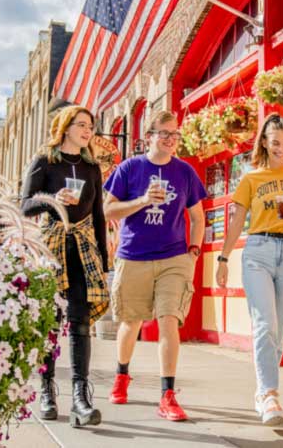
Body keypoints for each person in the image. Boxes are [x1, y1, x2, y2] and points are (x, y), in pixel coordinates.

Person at [216, 113, 283, 426]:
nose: (281, 149)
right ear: (264, 140)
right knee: (265, 324)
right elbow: (236, 222)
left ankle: (263, 391)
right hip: (257, 251)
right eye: (276, 143)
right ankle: (269, 394)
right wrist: (223, 258)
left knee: (280, 328)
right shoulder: (250, 179)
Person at [103, 110, 206, 421]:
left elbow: (198, 217)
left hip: (174, 257)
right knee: (130, 323)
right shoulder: (129, 168)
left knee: (168, 320)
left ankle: (167, 394)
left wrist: (194, 251)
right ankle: (121, 375)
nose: (170, 140)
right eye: (164, 134)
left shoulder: (185, 172)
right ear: (148, 136)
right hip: (134, 255)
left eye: (175, 135)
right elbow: (108, 210)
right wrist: (143, 201)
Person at [21, 106, 109, 428]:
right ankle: (46, 390)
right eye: (82, 124)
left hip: (82, 250)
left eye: (91, 126)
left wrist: (103, 258)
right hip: (51, 248)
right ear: (65, 127)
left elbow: (98, 214)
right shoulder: (46, 161)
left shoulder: (91, 167)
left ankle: (81, 398)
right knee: (51, 322)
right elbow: (25, 205)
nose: (88, 131)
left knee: (81, 322)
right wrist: (52, 199)